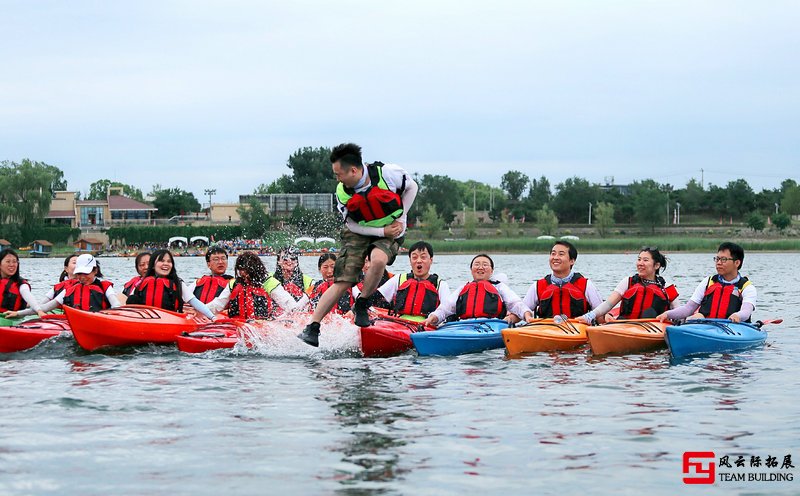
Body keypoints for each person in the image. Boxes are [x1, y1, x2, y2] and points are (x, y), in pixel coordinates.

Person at [299, 143, 418, 346]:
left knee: (378, 260)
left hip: (391, 227)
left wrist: (400, 219)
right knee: (343, 281)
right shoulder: (342, 192)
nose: (337, 179)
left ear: (354, 170)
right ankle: (313, 327)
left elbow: (412, 187)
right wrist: (380, 231)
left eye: (339, 174)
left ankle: (361, 303)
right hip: (359, 231)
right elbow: (352, 224)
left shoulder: (388, 174)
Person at [657, 242, 756, 323]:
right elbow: (689, 308)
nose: (718, 263)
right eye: (717, 259)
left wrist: (737, 315)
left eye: (723, 259)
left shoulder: (747, 287)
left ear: (737, 263)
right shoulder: (708, 282)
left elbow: (746, 311)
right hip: (706, 327)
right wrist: (667, 314)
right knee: (697, 316)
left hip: (733, 328)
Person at [422, 254, 531, 327]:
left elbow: (515, 304)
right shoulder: (463, 288)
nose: (480, 267)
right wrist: (433, 318)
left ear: (491, 271)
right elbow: (446, 308)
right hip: (465, 325)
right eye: (477, 264)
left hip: (492, 325)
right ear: (471, 269)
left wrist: (526, 314)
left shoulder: (499, 287)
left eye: (485, 265)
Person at [578, 247, 679, 323]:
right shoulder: (627, 282)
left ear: (656, 265)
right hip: (625, 325)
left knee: (649, 313)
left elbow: (679, 312)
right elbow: (608, 304)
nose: (640, 263)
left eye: (645, 260)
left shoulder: (667, 288)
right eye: (639, 259)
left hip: (654, 327)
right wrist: (590, 316)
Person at [6, 254, 121, 317]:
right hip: (73, 326)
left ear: (95, 271)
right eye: (79, 273)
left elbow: (116, 306)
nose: (82, 277)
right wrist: (18, 313)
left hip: (101, 320)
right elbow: (44, 308)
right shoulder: (69, 290)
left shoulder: (105, 287)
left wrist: (110, 317)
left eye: (86, 273)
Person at [522, 241, 603, 321]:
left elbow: (601, 315)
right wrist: (525, 316)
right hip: (546, 330)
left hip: (577, 330)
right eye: (553, 254)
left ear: (572, 261)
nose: (555, 258)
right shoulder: (538, 286)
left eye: (561, 254)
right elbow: (522, 310)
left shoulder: (586, 285)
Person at [126, 249, 215, 320]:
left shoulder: (178, 283)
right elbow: (130, 303)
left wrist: (212, 317)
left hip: (170, 320)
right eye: (161, 261)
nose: (166, 264)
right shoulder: (142, 283)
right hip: (144, 319)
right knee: (132, 299)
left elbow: (195, 302)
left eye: (169, 261)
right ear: (153, 265)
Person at [377, 241, 450, 322]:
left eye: (423, 257)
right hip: (399, 324)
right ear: (410, 260)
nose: (418, 261)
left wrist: (435, 318)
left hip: (427, 326)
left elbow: (447, 310)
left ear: (431, 260)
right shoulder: (399, 279)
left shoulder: (440, 285)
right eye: (414, 257)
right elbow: (377, 297)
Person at [263, 246, 313, 313]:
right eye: (285, 258)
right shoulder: (269, 279)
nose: (289, 261)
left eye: (293, 258)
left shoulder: (308, 281)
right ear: (278, 261)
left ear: (297, 262)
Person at [227, 252, 275, 319]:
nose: (242, 273)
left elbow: (287, 302)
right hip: (238, 323)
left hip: (262, 324)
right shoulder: (233, 284)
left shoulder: (268, 282)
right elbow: (218, 304)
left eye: (245, 269)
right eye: (240, 269)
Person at [187, 246, 233, 313]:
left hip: (219, 318)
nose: (220, 262)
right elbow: (183, 296)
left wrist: (200, 310)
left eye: (223, 259)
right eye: (216, 259)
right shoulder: (198, 282)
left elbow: (219, 304)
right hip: (196, 316)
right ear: (208, 264)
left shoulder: (232, 284)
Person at [0, 249, 43, 317]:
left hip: (12, 318)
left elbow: (27, 294)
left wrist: (39, 310)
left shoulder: (22, 284)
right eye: (8, 261)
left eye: (14, 262)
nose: (11, 265)